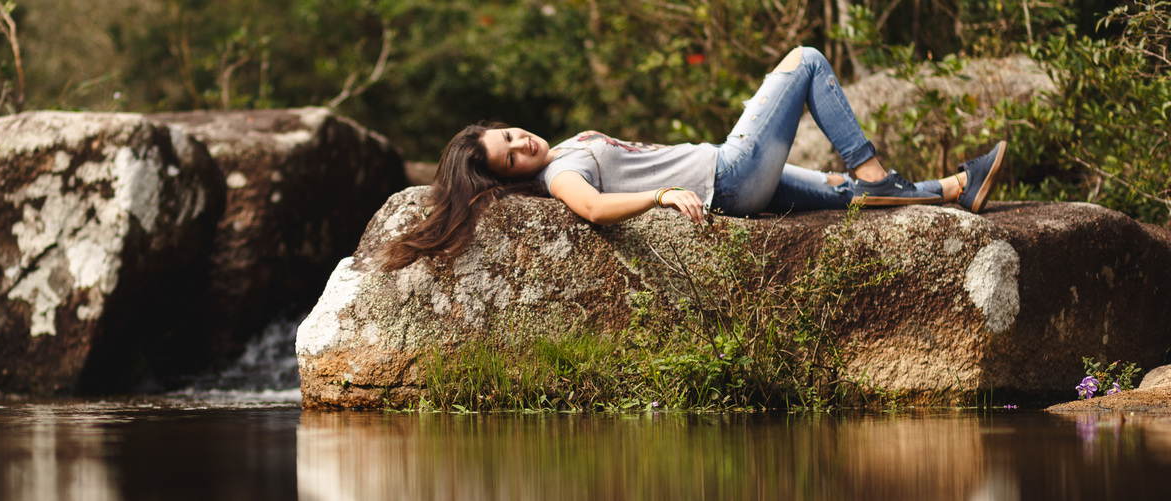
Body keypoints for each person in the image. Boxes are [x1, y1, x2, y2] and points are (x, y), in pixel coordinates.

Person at [382, 46, 1007, 272]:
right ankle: (880, 173)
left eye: (511, 137)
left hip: (736, 183)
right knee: (807, 61)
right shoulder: (559, 173)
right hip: (730, 177)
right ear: (513, 178)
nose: (523, 147)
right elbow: (595, 209)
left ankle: (956, 189)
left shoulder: (563, 147)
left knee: (844, 195)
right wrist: (659, 197)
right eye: (510, 160)